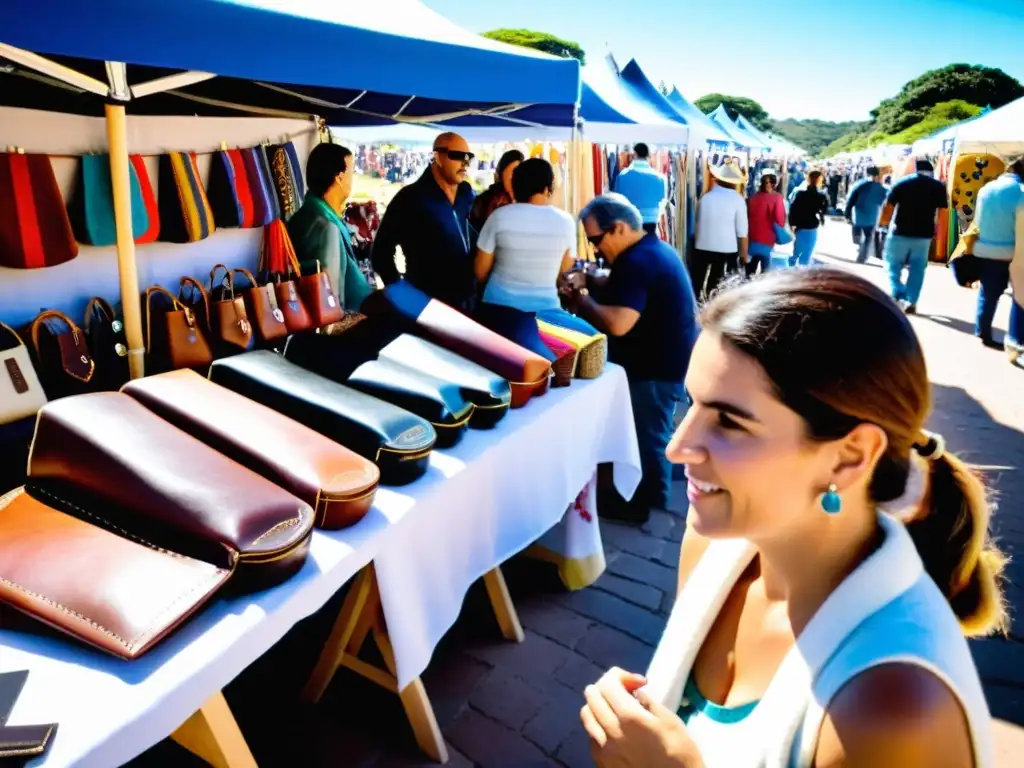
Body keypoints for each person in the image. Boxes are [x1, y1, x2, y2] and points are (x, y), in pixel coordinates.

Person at [580, 268, 1004, 767]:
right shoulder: (715, 548)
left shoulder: (893, 711)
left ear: (848, 457)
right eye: (691, 404)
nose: (677, 448)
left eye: (730, 422)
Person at [562, 193, 698, 524]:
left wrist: (580, 298)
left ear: (619, 228)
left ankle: (647, 505)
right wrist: (592, 280)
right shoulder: (647, 251)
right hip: (663, 359)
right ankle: (646, 493)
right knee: (649, 431)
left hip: (656, 366)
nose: (594, 249)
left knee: (646, 435)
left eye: (596, 239)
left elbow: (618, 324)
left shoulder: (639, 261)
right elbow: (618, 285)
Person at [372, 132, 477, 312]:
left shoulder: (467, 194)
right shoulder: (410, 198)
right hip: (428, 304)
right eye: (458, 156)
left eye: (469, 157)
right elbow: (381, 251)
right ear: (437, 157)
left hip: (469, 303)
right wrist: (401, 293)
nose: (465, 162)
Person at [473, 158, 576, 313]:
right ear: (548, 187)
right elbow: (565, 273)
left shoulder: (498, 216)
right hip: (545, 312)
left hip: (497, 309)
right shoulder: (566, 221)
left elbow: (479, 272)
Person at [287, 143, 373, 310]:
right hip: (341, 320)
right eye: (350, 173)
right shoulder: (324, 226)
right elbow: (330, 295)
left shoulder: (311, 214)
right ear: (339, 178)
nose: (351, 179)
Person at [967, 155, 1024, 356]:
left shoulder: (986, 189)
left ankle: (982, 330)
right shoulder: (1021, 192)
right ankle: (1016, 339)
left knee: (988, 294)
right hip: (1012, 252)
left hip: (984, 249)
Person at [881, 158, 949, 314]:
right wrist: (940, 239)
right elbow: (943, 214)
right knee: (918, 269)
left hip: (899, 233)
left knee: (893, 266)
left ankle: (898, 293)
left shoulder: (902, 183)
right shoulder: (938, 187)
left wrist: (883, 223)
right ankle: (911, 300)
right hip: (923, 235)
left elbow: (889, 206)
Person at [692, 163, 748, 299]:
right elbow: (742, 232)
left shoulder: (705, 198)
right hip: (726, 249)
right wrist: (743, 255)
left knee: (697, 280)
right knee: (716, 282)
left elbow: (697, 222)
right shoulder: (738, 200)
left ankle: (693, 306)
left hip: (701, 246)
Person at [613, 143, 668, 235]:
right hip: (651, 221)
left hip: (629, 221)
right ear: (648, 155)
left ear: (634, 154)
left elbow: (617, 202)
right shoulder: (660, 178)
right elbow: (662, 200)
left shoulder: (622, 176)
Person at [469, 149, 523, 233]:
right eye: (514, 171)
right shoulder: (492, 201)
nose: (517, 177)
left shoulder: (521, 200)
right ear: (501, 173)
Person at [845, 165, 889, 264]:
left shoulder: (860, 184)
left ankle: (861, 250)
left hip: (858, 214)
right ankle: (862, 256)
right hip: (872, 215)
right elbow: (885, 201)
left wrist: (847, 212)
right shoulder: (881, 187)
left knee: (858, 236)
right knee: (868, 237)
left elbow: (851, 198)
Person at [745, 170, 785, 277]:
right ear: (774, 184)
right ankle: (762, 286)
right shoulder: (777, 197)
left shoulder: (752, 198)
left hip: (752, 234)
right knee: (765, 266)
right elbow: (779, 218)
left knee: (753, 261)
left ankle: (747, 283)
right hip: (767, 236)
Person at [788, 170, 828, 266]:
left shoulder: (800, 194)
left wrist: (791, 224)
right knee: (806, 254)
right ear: (820, 181)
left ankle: (791, 271)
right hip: (812, 226)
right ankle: (801, 273)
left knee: (796, 252)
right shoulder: (821, 196)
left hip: (800, 226)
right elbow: (824, 210)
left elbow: (793, 210)